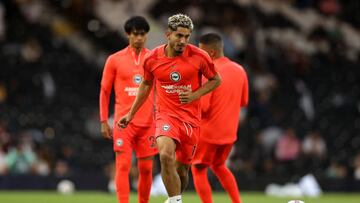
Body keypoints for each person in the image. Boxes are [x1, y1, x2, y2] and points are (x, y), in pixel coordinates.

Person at [118, 14, 221, 203]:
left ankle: (174, 198)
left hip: (190, 120)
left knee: (182, 170)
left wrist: (194, 95)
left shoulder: (200, 57)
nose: (183, 41)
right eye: (179, 36)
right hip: (166, 116)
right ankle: (175, 200)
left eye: (187, 36)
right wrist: (130, 113)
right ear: (168, 34)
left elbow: (216, 80)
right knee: (165, 155)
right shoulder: (152, 58)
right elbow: (146, 85)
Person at [99, 16, 157, 203]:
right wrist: (103, 121)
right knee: (122, 166)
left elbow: (163, 91)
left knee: (146, 169)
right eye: (135, 34)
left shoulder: (154, 59)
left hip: (148, 123)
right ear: (128, 35)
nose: (139, 38)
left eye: (143, 34)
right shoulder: (114, 60)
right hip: (123, 123)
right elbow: (105, 91)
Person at [191, 33, 249, 203]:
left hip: (208, 132)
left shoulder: (208, 73)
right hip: (229, 134)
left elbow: (205, 107)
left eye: (202, 52)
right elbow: (244, 101)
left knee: (198, 170)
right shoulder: (240, 70)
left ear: (212, 53)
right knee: (219, 166)